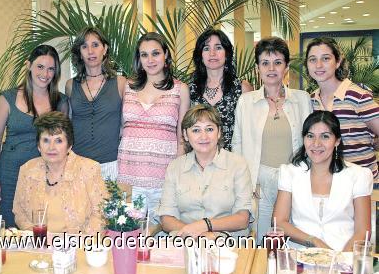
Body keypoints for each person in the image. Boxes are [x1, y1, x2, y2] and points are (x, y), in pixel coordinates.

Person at [232, 37, 312, 243]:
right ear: (258, 67)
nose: (271, 69)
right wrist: (247, 183)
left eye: (277, 62)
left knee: (294, 239)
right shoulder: (246, 101)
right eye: (265, 63)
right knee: (262, 240)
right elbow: (238, 145)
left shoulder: (302, 99)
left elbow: (310, 144)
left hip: (295, 180)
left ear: (286, 67)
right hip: (260, 183)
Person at [0, 45, 68, 227]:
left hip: (45, 173)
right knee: (10, 226)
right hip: (10, 172)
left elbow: (64, 141)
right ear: (28, 65)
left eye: (51, 69)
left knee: (41, 225)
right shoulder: (8, 98)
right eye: (40, 66)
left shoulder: (61, 101)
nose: (45, 73)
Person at [273, 111, 372, 251]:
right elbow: (279, 222)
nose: (316, 143)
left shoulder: (359, 175)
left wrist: (340, 260)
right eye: (310, 136)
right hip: (300, 255)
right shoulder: (290, 172)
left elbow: (362, 231)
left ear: (337, 141)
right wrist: (313, 241)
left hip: (343, 255)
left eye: (325, 136)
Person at [117, 32, 190, 221]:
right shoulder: (128, 86)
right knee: (129, 238)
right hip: (128, 177)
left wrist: (176, 177)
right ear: (139, 59)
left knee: (162, 242)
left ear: (166, 54)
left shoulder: (180, 89)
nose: (150, 60)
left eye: (155, 53)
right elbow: (121, 129)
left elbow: (181, 138)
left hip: (162, 180)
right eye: (144, 55)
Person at [158, 105, 252, 238]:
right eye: (196, 130)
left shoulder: (238, 165)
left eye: (209, 129)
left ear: (219, 132)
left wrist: (206, 226)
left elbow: (243, 219)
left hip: (226, 241)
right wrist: (196, 233)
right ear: (185, 135)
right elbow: (167, 218)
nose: (204, 136)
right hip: (185, 240)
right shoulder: (175, 167)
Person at [12, 112, 107, 234]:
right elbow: (19, 212)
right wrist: (38, 236)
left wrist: (76, 242)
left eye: (58, 141)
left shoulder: (89, 169)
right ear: (39, 146)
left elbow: (101, 214)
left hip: (78, 247)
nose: (51, 147)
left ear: (69, 145)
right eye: (46, 140)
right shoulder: (27, 170)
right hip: (39, 246)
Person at [306, 37, 379, 179]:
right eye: (312, 59)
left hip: (362, 186)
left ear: (338, 62)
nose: (318, 65)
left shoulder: (357, 96)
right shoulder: (310, 100)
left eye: (326, 58)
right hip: (328, 184)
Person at [66, 27, 126, 182]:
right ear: (79, 52)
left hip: (111, 164)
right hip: (78, 164)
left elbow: (125, 125)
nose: (90, 51)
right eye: (84, 46)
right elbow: (68, 125)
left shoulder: (120, 83)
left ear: (105, 49)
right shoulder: (70, 85)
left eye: (95, 45)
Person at [189, 28, 253, 151]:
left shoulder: (242, 89)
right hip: (199, 162)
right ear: (200, 55)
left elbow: (249, 134)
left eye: (218, 47)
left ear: (227, 53)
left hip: (232, 162)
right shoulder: (190, 90)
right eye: (206, 48)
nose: (212, 53)